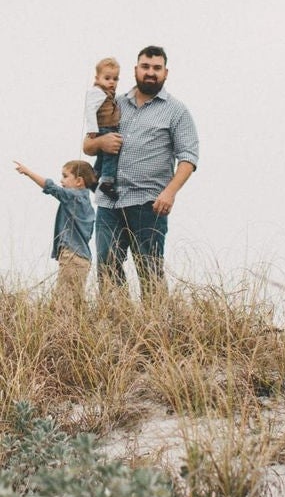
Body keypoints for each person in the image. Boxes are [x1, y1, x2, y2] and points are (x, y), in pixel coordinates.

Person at [83, 45, 199, 299]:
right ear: (136, 70)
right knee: (107, 270)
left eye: (156, 68)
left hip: (149, 204)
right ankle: (118, 331)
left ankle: (156, 335)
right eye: (145, 67)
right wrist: (101, 143)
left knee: (150, 273)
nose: (150, 73)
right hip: (109, 202)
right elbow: (88, 145)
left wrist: (169, 193)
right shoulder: (114, 103)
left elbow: (189, 158)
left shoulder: (176, 111)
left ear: (165, 73)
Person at [14, 157, 96, 307]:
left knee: (63, 303)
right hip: (83, 258)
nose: (61, 180)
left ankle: (66, 330)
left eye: (65, 176)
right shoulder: (86, 203)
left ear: (79, 181)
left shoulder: (73, 197)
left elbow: (50, 187)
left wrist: (28, 172)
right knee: (74, 301)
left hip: (72, 256)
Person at [84, 56, 121, 198]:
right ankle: (107, 182)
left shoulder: (108, 94)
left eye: (115, 78)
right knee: (111, 154)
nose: (112, 82)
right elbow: (90, 109)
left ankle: (94, 178)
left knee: (103, 156)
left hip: (107, 127)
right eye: (107, 78)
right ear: (97, 78)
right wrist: (93, 129)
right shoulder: (97, 92)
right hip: (104, 128)